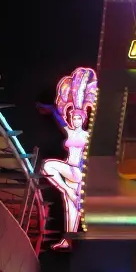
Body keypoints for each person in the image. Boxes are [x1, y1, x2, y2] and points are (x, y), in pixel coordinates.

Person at [39, 67, 97, 250]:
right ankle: (67, 239)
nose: (75, 120)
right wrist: (50, 110)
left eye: (78, 118)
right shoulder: (70, 131)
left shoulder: (88, 135)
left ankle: (69, 193)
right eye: (73, 117)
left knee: (48, 167)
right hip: (69, 168)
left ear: (84, 119)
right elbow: (59, 119)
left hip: (78, 171)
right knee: (70, 205)